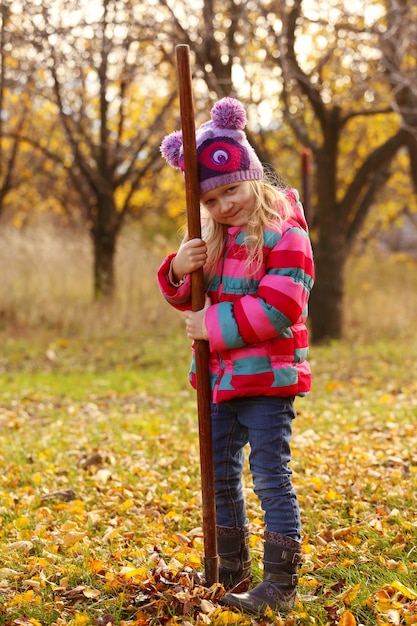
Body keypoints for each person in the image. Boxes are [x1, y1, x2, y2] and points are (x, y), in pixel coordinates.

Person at [157, 97, 314, 615]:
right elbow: (190, 297)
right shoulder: (215, 239)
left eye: (232, 189)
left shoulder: (285, 234)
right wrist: (180, 270)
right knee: (219, 473)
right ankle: (231, 568)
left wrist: (211, 328)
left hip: (269, 379)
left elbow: (280, 306)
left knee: (270, 474)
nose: (225, 205)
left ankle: (280, 584)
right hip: (222, 379)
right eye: (213, 199)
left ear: (252, 176)